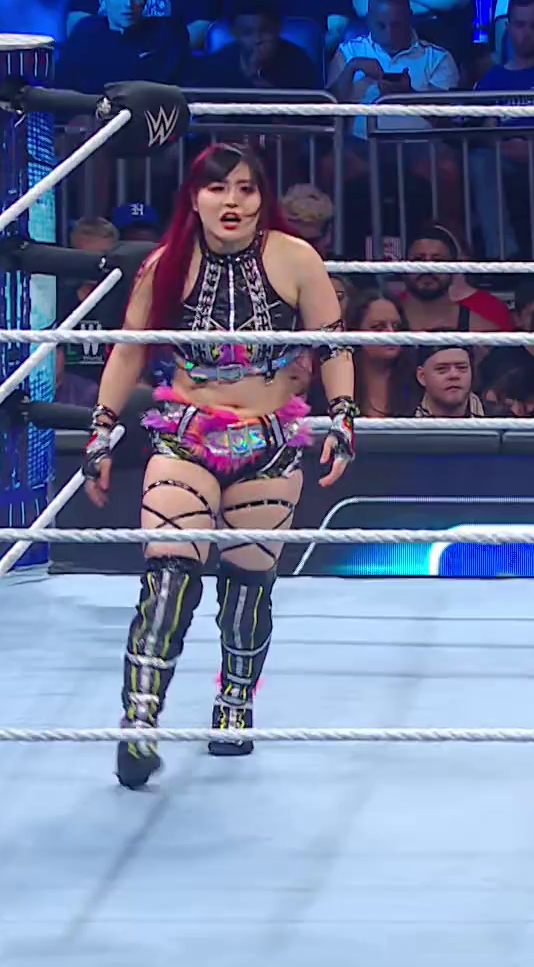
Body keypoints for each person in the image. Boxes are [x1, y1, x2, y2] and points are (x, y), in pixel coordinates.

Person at [82, 143, 356, 791]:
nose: (232, 201)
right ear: (195, 197)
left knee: (247, 584)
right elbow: (128, 351)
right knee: (169, 573)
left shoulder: (296, 258)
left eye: (245, 188)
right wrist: (101, 431)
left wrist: (344, 418)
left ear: (262, 198)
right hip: (188, 433)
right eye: (217, 188)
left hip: (270, 437)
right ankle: (140, 719)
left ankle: (235, 698)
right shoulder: (164, 264)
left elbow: (334, 343)